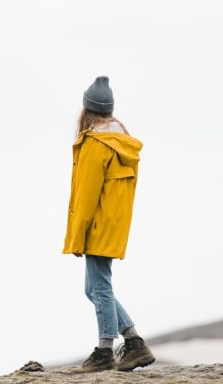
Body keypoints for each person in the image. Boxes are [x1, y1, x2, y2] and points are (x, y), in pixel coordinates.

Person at [63, 75, 155, 373]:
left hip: (97, 224)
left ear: (86, 110)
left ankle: (105, 351)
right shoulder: (122, 142)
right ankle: (134, 341)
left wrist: (77, 236)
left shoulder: (95, 144)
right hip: (114, 223)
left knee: (100, 288)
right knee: (94, 288)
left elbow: (87, 196)